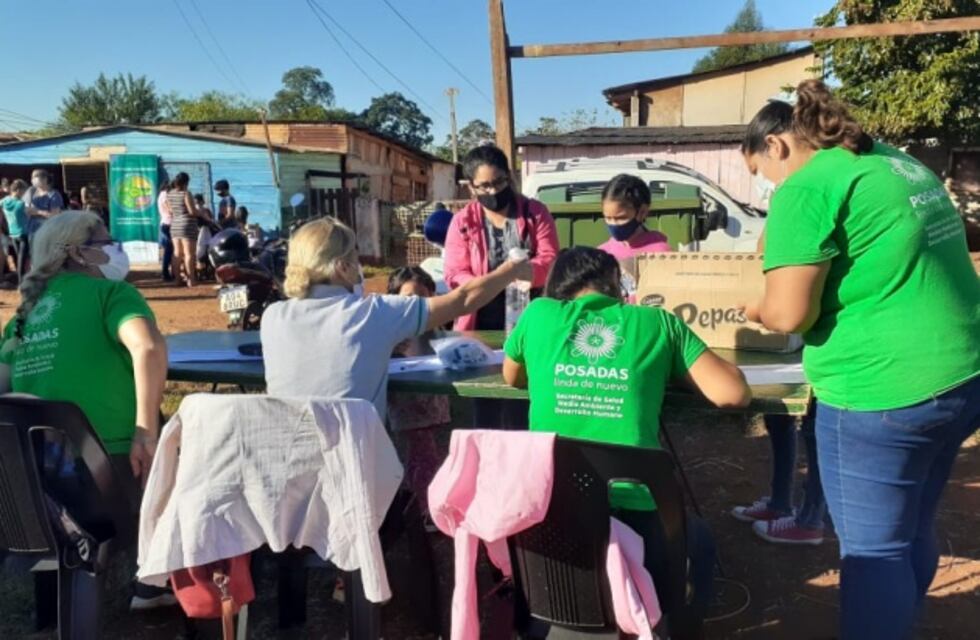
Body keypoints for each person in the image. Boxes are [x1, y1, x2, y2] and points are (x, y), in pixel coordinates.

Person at [741, 80, 979, 640]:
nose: (768, 187)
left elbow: (788, 315)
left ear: (777, 146)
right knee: (910, 526)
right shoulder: (889, 161)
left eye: (761, 172)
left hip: (881, 391)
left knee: (873, 553)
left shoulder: (809, 187)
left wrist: (754, 305)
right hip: (960, 373)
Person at [502, 246, 751, 638]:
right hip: (639, 516)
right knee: (698, 538)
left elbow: (512, 376)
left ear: (556, 289)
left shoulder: (537, 316)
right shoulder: (656, 324)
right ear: (616, 285)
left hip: (553, 515)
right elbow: (732, 393)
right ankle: (669, 624)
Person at [260, 216, 532, 423]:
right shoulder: (374, 314)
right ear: (342, 267)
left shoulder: (272, 318)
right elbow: (463, 299)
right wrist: (511, 269)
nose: (360, 263)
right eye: (356, 255)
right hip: (356, 466)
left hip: (290, 469)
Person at [443, 144, 559, 430]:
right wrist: (493, 281)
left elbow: (550, 259)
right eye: (484, 186)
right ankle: (488, 463)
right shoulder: (462, 222)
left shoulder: (535, 213)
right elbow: (455, 273)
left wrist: (529, 273)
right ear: (471, 187)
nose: (493, 192)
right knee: (485, 399)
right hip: (479, 319)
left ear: (510, 177)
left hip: (528, 318)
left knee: (524, 393)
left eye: (499, 182)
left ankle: (524, 461)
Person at [386, 266, 450, 517]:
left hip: (432, 404)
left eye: (424, 296)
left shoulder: (436, 328)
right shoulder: (393, 332)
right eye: (408, 297)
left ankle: (426, 504)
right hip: (406, 404)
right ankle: (425, 508)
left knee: (428, 454)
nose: (417, 304)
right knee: (420, 456)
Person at [598, 174, 672, 260]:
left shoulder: (660, 254)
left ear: (642, 212)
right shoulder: (602, 253)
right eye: (608, 218)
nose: (613, 224)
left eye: (621, 218)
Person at [166, 172, 200, 287]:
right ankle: (191, 280)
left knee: (176, 253)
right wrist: (201, 214)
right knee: (189, 254)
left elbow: (170, 211)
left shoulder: (169, 194)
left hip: (175, 225)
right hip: (187, 225)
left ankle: (177, 280)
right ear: (186, 182)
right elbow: (192, 211)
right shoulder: (186, 193)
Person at [2, 179, 30, 280]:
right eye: (24, 191)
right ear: (18, 190)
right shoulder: (21, 203)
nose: (24, 194)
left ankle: (22, 280)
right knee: (22, 260)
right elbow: (30, 213)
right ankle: (22, 282)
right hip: (24, 234)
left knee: (19, 259)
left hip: (13, 234)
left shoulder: (5, 201)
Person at [23, 168, 64, 239]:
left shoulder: (54, 195)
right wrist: (34, 211)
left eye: (34, 178)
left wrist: (38, 212)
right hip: (32, 231)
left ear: (45, 179)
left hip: (47, 231)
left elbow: (55, 216)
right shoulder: (31, 191)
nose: (32, 180)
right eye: (32, 178)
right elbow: (27, 210)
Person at [157, 181, 174, 282]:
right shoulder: (165, 195)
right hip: (168, 223)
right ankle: (165, 273)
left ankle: (166, 272)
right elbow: (170, 210)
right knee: (169, 250)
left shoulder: (161, 195)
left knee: (168, 249)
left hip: (164, 223)